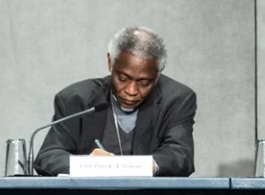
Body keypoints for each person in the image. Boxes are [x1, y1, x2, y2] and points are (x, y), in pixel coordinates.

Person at [35, 26, 196, 176]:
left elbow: (181, 154)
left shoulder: (177, 99)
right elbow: (48, 156)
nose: (131, 91)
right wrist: (86, 164)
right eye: (123, 78)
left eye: (144, 82)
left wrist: (144, 166)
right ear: (110, 62)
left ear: (158, 74)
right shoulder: (76, 99)